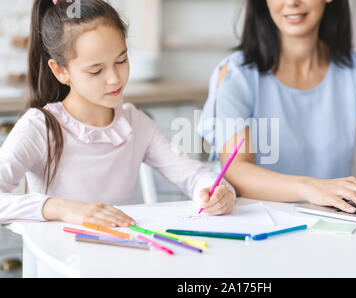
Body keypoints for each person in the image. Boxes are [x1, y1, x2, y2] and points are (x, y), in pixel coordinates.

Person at [0, 0, 235, 226]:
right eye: (96, 70)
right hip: (60, 260)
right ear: (60, 71)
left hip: (119, 255)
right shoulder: (40, 126)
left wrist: (217, 192)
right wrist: (62, 208)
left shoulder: (135, 123)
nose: (114, 79)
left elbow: (193, 175)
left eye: (121, 60)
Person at [197, 0, 356, 214]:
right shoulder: (235, 75)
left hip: (330, 225)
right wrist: (311, 188)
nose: (292, 3)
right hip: (256, 224)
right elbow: (236, 170)